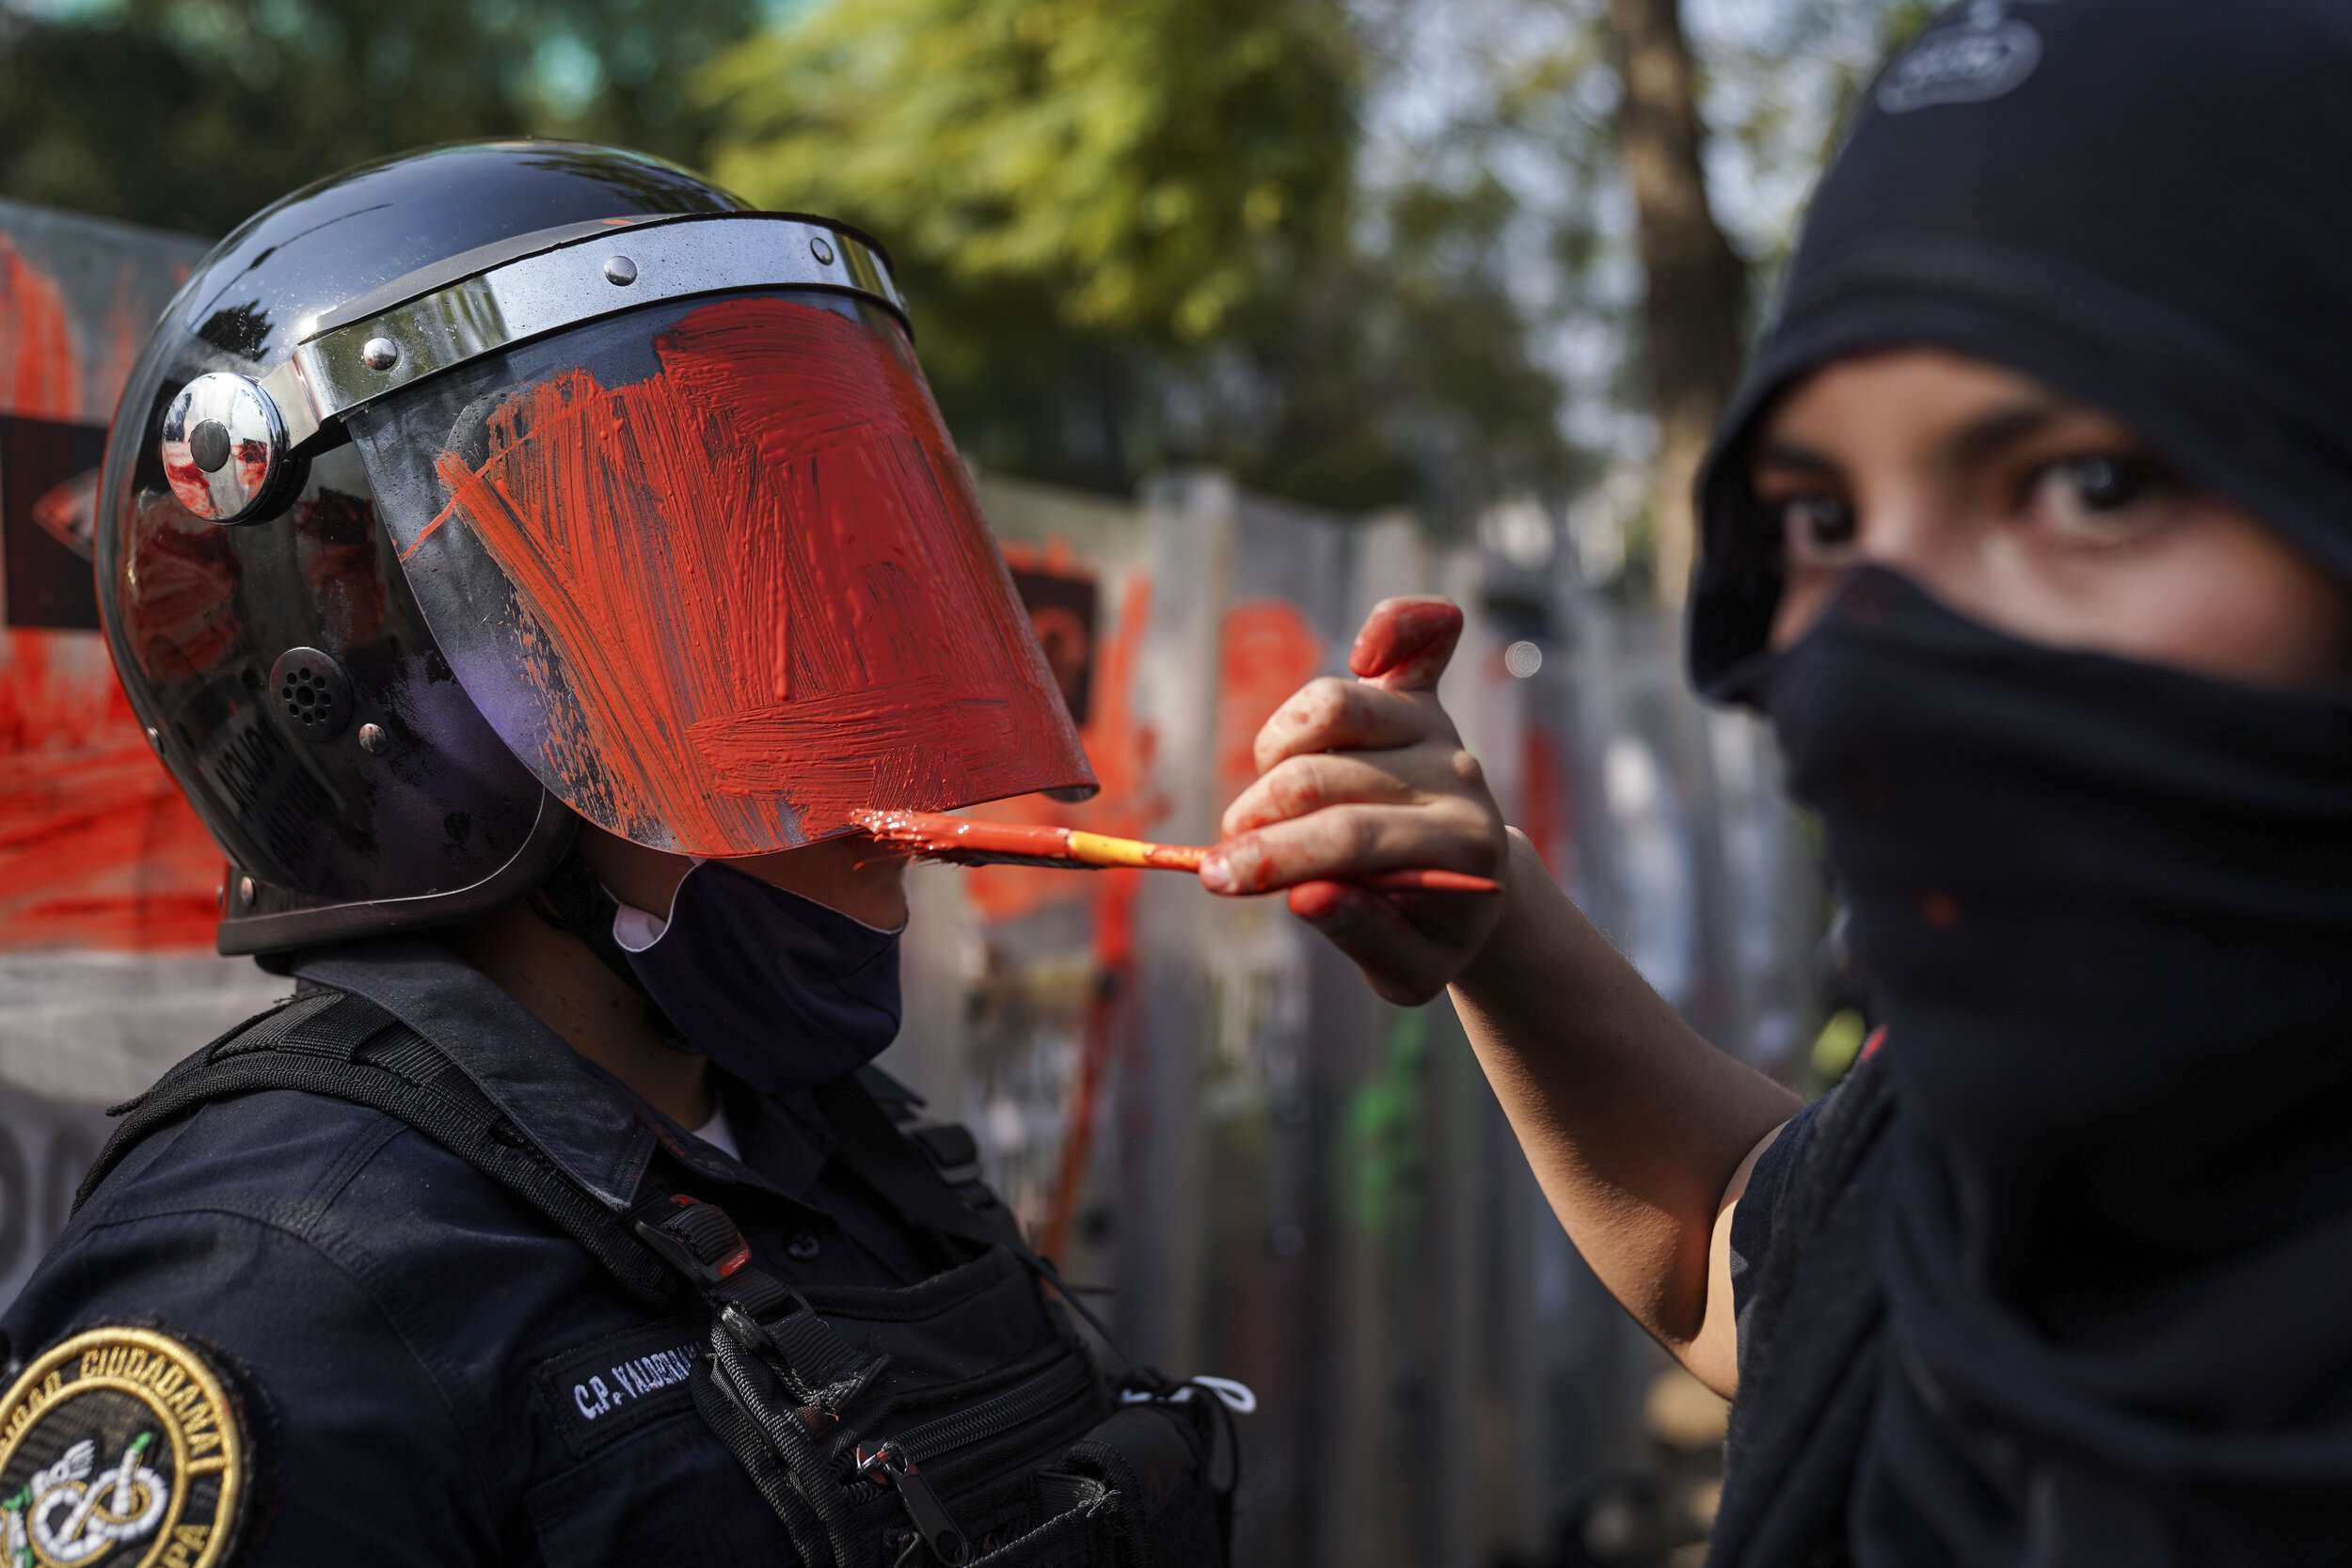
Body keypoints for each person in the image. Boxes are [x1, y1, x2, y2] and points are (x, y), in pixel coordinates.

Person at [1200, 1, 2352, 1561]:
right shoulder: (2006, 1131)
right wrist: (1498, 924)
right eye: (1816, 517)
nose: (1878, 640)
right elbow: (1742, 1259)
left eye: (2088, 485)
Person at [0, 141, 1228, 1568]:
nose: (878, 746)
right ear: (400, 708)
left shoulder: (841, 1146)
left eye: (862, 621)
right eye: (741, 653)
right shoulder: (281, 1279)